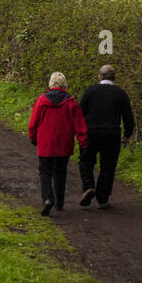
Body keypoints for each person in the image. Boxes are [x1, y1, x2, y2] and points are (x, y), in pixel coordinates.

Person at [28, 72, 88, 215]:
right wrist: (83, 143)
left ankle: (47, 199)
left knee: (45, 172)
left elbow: (33, 122)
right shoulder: (71, 103)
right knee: (60, 172)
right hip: (64, 143)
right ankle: (59, 202)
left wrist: (33, 137)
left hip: (45, 143)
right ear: (64, 84)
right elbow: (80, 126)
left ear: (51, 83)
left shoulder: (42, 100)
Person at [79, 64, 135, 209]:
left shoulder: (90, 91)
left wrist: (79, 130)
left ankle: (88, 186)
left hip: (91, 132)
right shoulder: (120, 93)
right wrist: (127, 134)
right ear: (114, 78)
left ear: (100, 76)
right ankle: (103, 197)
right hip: (111, 134)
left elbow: (80, 112)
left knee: (86, 160)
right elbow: (128, 117)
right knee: (108, 166)